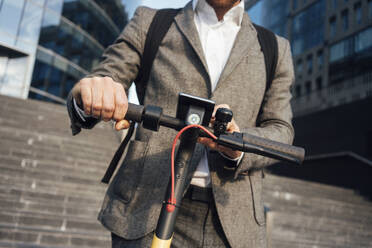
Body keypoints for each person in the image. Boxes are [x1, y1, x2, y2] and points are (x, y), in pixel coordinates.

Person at [67, 0, 295, 247]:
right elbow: (106, 77)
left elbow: (281, 129)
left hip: (235, 226)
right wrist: (91, 93)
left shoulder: (276, 48)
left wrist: (237, 145)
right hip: (145, 207)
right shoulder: (150, 21)